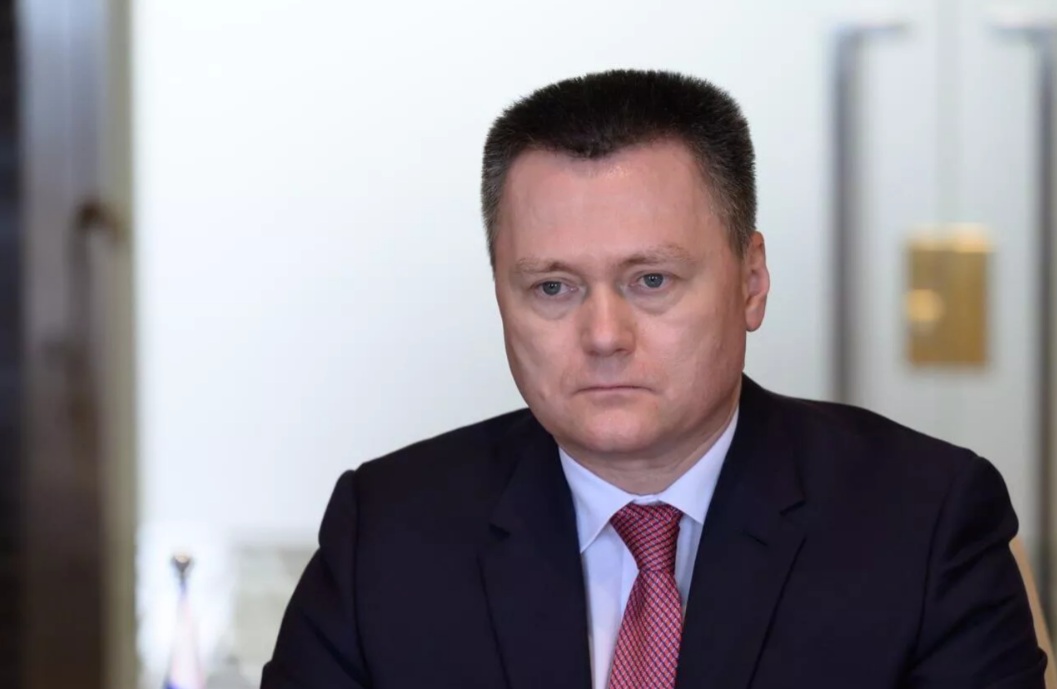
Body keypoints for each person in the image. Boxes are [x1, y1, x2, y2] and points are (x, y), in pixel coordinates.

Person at [260, 69, 1047, 689]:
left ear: (750, 280)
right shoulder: (387, 532)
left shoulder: (921, 522)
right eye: (552, 287)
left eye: (651, 281)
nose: (604, 335)